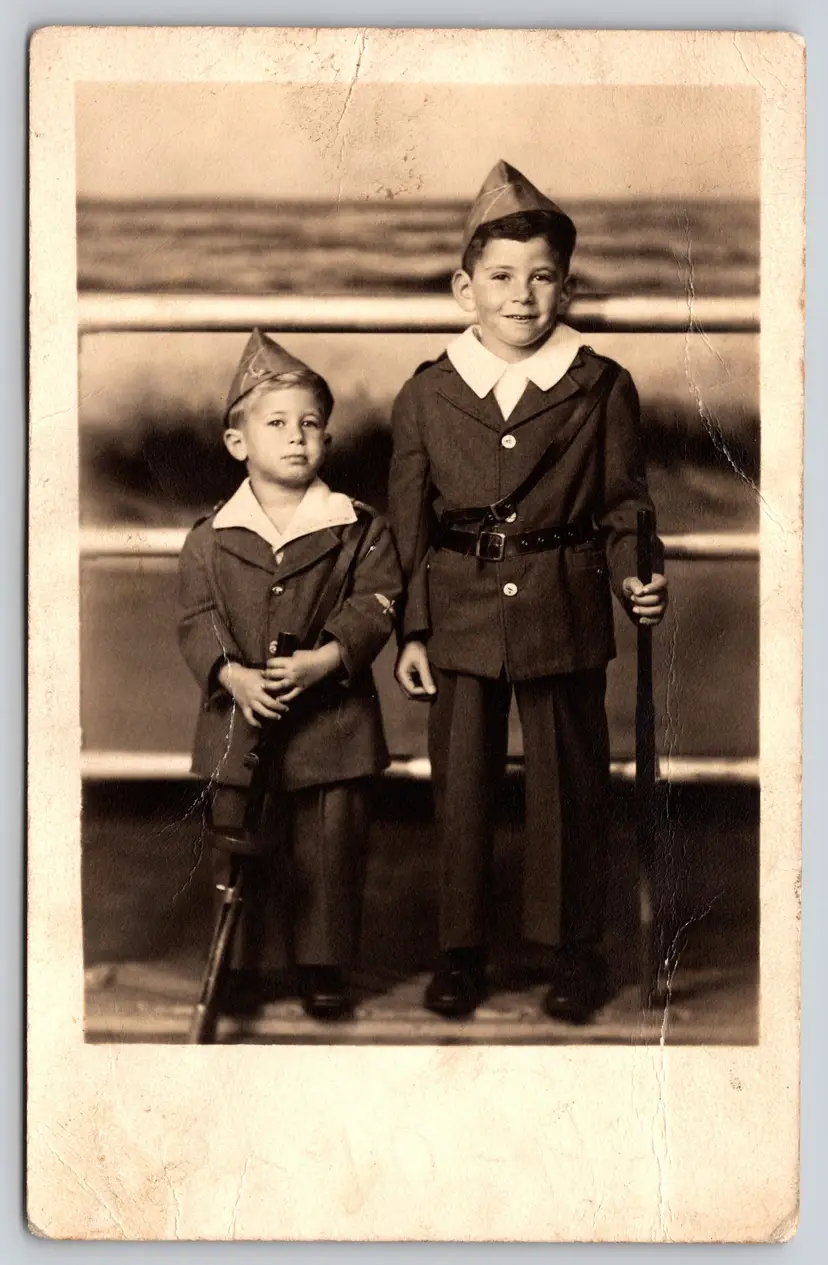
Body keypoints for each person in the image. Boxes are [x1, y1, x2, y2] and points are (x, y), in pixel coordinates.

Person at [388, 160, 669, 1023]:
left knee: (569, 784)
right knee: (460, 786)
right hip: (460, 607)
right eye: (501, 278)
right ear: (463, 288)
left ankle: (574, 952)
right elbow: (408, 522)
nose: (522, 296)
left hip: (563, 599)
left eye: (542, 276)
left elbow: (625, 502)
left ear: (566, 286)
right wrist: (412, 629)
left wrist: (636, 573)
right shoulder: (428, 392)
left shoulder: (600, 383)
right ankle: (460, 952)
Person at [177, 330, 402, 1021]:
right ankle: (241, 965)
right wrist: (231, 675)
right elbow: (197, 617)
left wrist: (329, 656)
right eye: (277, 423)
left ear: (327, 444)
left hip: (332, 723)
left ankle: (323, 966)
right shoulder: (210, 535)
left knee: (330, 849)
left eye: (311, 424)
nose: (297, 437)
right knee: (238, 843)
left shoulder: (359, 527)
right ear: (237, 442)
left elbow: (377, 600)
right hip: (240, 721)